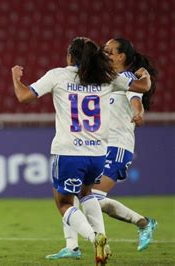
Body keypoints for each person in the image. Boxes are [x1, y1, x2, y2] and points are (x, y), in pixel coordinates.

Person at [11, 37, 151, 265]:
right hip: (97, 154)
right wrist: (144, 76)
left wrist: (16, 78)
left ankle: (95, 238)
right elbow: (142, 87)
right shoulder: (106, 78)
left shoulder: (58, 75)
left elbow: (23, 96)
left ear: (69, 56)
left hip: (68, 152)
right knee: (87, 195)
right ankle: (94, 243)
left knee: (64, 203)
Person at [46, 37, 158, 260]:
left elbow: (136, 97)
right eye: (103, 51)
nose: (104, 54)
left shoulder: (125, 77)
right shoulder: (102, 79)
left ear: (121, 57)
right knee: (76, 195)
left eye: (109, 51)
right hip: (100, 146)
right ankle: (72, 247)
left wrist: (139, 112)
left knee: (92, 198)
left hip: (118, 147)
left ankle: (144, 223)